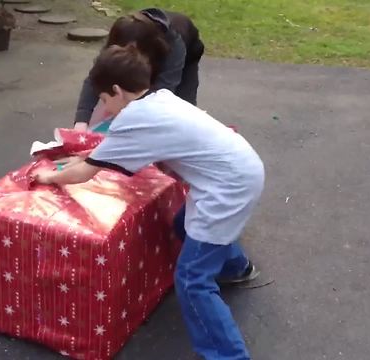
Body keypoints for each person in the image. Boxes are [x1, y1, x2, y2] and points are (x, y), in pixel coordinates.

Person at [35, 44, 264, 360]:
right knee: (184, 225)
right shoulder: (160, 99)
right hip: (243, 169)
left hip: (226, 189)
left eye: (104, 100)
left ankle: (228, 356)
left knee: (191, 280)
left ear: (117, 90)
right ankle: (237, 268)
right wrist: (89, 156)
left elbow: (84, 175)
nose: (105, 109)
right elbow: (112, 153)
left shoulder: (135, 118)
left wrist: (46, 176)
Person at [73, 8, 205, 132]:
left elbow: (162, 93)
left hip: (187, 54)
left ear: (139, 47)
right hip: (150, 51)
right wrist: (82, 120)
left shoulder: (174, 44)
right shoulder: (122, 35)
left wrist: (130, 117)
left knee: (181, 109)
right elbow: (97, 76)